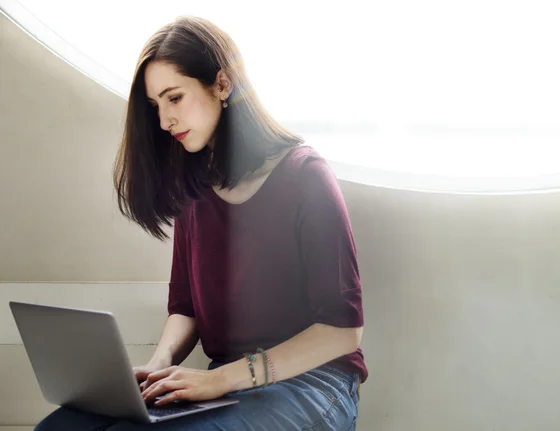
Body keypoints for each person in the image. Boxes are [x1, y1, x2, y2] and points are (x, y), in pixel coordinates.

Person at [35, 15, 367, 431]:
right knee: (60, 429)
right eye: (155, 106)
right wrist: (157, 366)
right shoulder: (194, 188)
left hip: (316, 385)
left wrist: (221, 378)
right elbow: (186, 308)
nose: (163, 121)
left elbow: (342, 331)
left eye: (174, 98)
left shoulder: (305, 175)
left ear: (223, 85)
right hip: (226, 382)